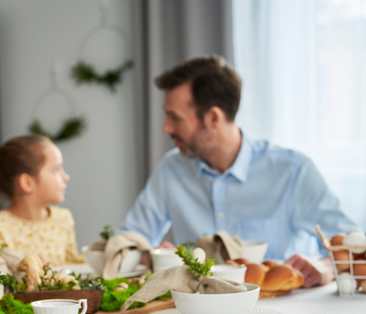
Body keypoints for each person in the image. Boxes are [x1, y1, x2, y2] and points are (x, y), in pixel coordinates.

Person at [119, 55, 360, 287]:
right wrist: (153, 255)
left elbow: (353, 243)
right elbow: (129, 238)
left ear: (213, 118)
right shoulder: (171, 170)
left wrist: (326, 267)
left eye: (175, 117)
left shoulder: (293, 171)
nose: (165, 127)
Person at [0, 134, 84, 266]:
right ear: (27, 183)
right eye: (56, 169)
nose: (66, 177)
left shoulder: (64, 219)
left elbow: (74, 268)